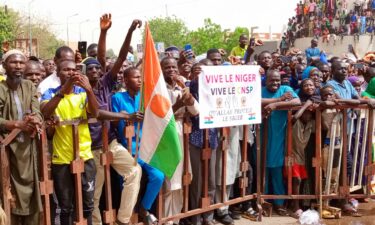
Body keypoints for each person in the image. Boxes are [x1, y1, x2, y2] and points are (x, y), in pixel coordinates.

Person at [90, 15, 143, 225]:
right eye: (90, 68)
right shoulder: (80, 90)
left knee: (134, 171)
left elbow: (119, 57)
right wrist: (126, 116)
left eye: (97, 68)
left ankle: (122, 219)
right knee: (95, 194)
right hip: (91, 148)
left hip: (110, 143)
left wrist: (128, 31)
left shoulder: (105, 83)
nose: (95, 70)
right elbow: (98, 114)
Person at [40, 59, 100, 225]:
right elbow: (45, 112)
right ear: (58, 73)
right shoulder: (50, 93)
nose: (71, 73)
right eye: (66, 70)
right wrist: (63, 92)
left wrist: (89, 90)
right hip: (62, 159)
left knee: (87, 205)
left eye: (74, 70)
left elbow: (96, 113)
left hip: (85, 156)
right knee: (65, 207)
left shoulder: (82, 92)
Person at [111, 67, 164, 225]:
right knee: (126, 183)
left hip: (145, 148)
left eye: (141, 77)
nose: (140, 80)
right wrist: (126, 117)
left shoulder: (144, 97)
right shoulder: (117, 98)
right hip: (126, 149)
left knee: (158, 176)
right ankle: (127, 217)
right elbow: (113, 123)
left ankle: (144, 208)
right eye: (135, 77)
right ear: (126, 80)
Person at [0, 49, 43, 225]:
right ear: (4, 66)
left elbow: (37, 111)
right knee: (8, 194)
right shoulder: (1, 88)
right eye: (13, 62)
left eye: (21, 63)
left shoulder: (29, 86)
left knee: (32, 194)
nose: (18, 66)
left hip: (28, 149)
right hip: (7, 149)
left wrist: (35, 119)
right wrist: (17, 125)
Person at [160, 57, 199, 225]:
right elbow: (160, 115)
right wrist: (177, 105)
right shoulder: (157, 89)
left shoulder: (182, 86)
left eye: (173, 67)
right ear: (161, 70)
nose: (171, 70)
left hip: (181, 134)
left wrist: (187, 97)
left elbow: (196, 111)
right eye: (167, 67)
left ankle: (175, 219)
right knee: (168, 183)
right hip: (165, 137)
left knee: (181, 181)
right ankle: (165, 220)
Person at [262, 70, 301, 215]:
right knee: (262, 169)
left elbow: (296, 101)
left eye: (277, 80)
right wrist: (278, 101)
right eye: (272, 80)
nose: (275, 83)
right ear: (266, 81)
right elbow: (256, 101)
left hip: (280, 135)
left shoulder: (286, 89)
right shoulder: (261, 91)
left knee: (277, 169)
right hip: (262, 135)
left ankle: (279, 202)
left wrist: (275, 106)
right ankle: (263, 201)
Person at [188, 59, 218, 225]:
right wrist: (196, 78)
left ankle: (209, 216)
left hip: (212, 138)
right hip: (196, 139)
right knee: (197, 182)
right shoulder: (190, 86)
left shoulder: (218, 90)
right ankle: (195, 217)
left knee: (211, 180)